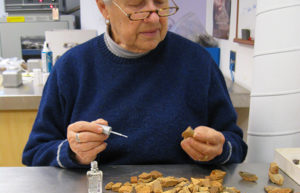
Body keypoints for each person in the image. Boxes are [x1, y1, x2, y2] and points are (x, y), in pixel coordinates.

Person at [22, 0, 247, 168]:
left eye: (160, 2)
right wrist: (72, 153)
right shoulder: (72, 68)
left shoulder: (198, 62)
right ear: (104, 8)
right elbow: (34, 154)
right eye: (137, 6)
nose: (155, 17)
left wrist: (220, 148)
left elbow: (235, 144)